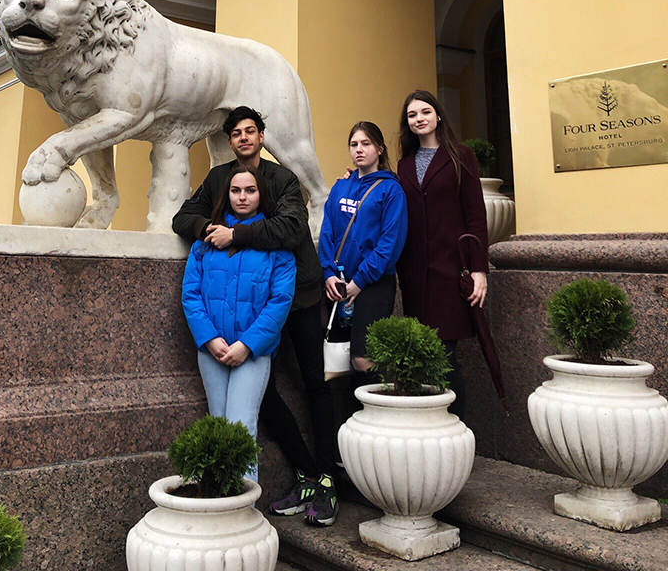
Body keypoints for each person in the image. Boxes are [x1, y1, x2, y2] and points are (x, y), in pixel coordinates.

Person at [173, 106, 340, 526]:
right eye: (236, 133)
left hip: (296, 296)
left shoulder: (282, 178)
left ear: (262, 137)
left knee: (314, 384)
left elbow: (292, 229)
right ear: (229, 141)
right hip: (246, 303)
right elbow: (183, 218)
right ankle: (305, 473)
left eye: (251, 131)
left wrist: (237, 234)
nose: (244, 138)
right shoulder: (218, 178)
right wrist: (211, 232)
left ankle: (328, 481)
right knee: (262, 395)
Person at [181, 162, 296, 479]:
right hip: (212, 351)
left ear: (261, 195)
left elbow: (280, 302)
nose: (242, 197)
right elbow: (191, 294)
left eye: (250, 190)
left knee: (241, 427)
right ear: (227, 195)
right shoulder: (205, 243)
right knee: (218, 425)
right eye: (235, 190)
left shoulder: (276, 248)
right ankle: (222, 499)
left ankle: (244, 504)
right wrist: (209, 338)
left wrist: (247, 344)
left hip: (252, 353)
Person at [395, 90, 489, 421]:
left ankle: (455, 430)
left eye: (425, 111)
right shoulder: (404, 164)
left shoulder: (461, 156)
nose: (419, 118)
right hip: (414, 274)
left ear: (437, 115)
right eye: (412, 115)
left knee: (445, 355)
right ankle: (432, 429)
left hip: (451, 271)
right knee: (424, 355)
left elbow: (475, 215)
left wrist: (479, 269)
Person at [318, 121, 407, 399]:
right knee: (338, 359)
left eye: (366, 144)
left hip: (373, 284)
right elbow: (327, 232)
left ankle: (373, 418)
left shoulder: (391, 190)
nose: (359, 149)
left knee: (362, 358)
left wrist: (359, 281)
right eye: (354, 144)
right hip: (338, 283)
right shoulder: (340, 187)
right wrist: (328, 273)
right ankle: (349, 422)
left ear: (379, 148)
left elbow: (389, 244)